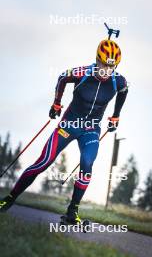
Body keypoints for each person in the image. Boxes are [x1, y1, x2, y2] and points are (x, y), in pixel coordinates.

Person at [0, 39, 128, 223]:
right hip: (69, 124)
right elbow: (62, 77)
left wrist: (116, 116)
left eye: (111, 66)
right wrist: (57, 103)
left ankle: (72, 211)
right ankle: (9, 199)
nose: (107, 70)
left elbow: (124, 90)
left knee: (87, 163)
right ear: (97, 60)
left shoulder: (118, 81)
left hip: (91, 129)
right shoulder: (82, 72)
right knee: (44, 162)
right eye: (103, 65)